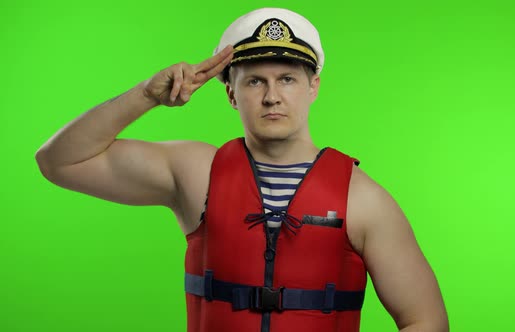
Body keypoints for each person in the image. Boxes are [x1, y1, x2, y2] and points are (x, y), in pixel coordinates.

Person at [35, 7, 448, 332]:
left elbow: (428, 321)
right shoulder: (195, 172)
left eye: (286, 79)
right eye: (254, 82)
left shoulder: (362, 198)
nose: (272, 97)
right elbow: (59, 161)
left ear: (313, 87)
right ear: (231, 93)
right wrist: (145, 96)